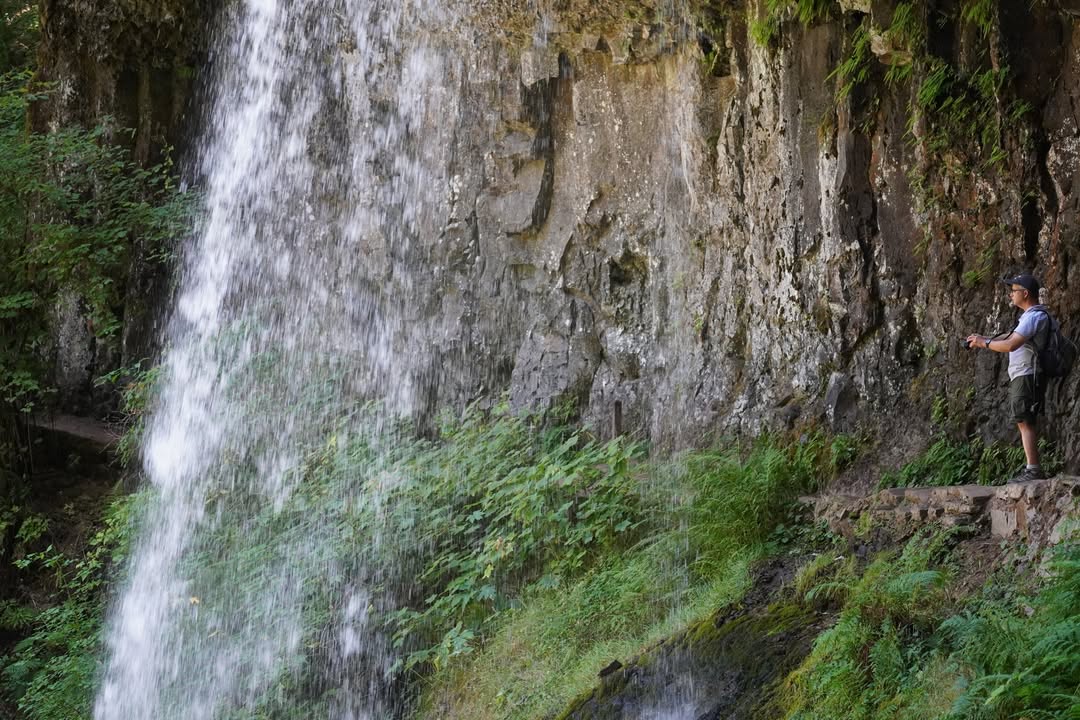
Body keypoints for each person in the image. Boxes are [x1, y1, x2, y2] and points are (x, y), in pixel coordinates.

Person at [966, 273, 1050, 481]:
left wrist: (984, 343)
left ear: (1025, 293)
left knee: (1024, 420)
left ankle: (1033, 469)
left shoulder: (1033, 317)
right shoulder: (1029, 316)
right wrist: (984, 338)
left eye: (1013, 291)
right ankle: (1032, 468)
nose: (1010, 294)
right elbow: (1012, 336)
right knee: (1024, 419)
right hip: (1024, 372)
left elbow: (1011, 344)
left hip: (1027, 373)